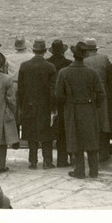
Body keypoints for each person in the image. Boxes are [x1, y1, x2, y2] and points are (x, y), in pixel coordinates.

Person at [55, 42, 104, 179]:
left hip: (72, 108)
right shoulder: (92, 72)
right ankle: (94, 171)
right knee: (91, 139)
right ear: (86, 55)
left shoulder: (63, 72)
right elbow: (101, 94)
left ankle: (79, 171)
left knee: (75, 139)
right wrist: (94, 105)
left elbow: (59, 95)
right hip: (89, 108)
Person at [17, 40, 56, 169]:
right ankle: (47, 161)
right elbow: (52, 90)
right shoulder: (50, 67)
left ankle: (33, 161)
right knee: (46, 134)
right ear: (45, 51)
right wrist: (53, 107)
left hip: (28, 103)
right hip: (45, 104)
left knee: (31, 133)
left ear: (33, 50)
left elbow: (21, 89)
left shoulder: (24, 66)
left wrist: (21, 105)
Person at [82, 38, 111, 162]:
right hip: (103, 90)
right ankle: (104, 153)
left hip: (89, 92)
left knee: (92, 122)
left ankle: (94, 151)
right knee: (104, 122)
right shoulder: (104, 58)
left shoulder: (84, 61)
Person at [46, 39, 72, 168]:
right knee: (66, 129)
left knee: (52, 130)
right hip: (65, 101)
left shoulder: (47, 63)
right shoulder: (69, 64)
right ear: (63, 50)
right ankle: (66, 158)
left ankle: (52, 159)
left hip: (49, 100)